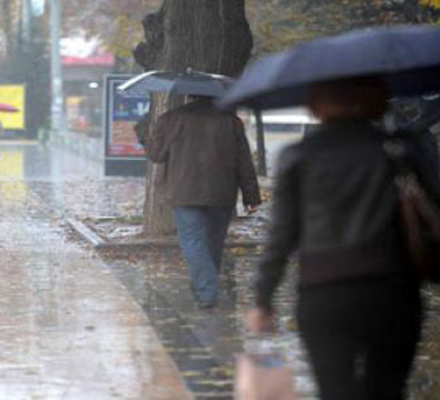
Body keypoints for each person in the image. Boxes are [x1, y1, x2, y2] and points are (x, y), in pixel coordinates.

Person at [247, 78, 440, 400]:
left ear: (317, 103)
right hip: (393, 290)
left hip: (324, 293)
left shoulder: (298, 155)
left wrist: (263, 299)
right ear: (378, 99)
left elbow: (281, 235)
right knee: (387, 389)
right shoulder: (402, 147)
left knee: (334, 390)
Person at [146, 96, 261, 309]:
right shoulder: (231, 121)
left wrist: (144, 131)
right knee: (213, 243)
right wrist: (251, 196)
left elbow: (156, 155)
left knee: (193, 240)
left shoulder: (171, 119)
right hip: (222, 192)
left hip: (184, 192)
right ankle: (205, 286)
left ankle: (207, 290)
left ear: (188, 96)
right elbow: (244, 161)